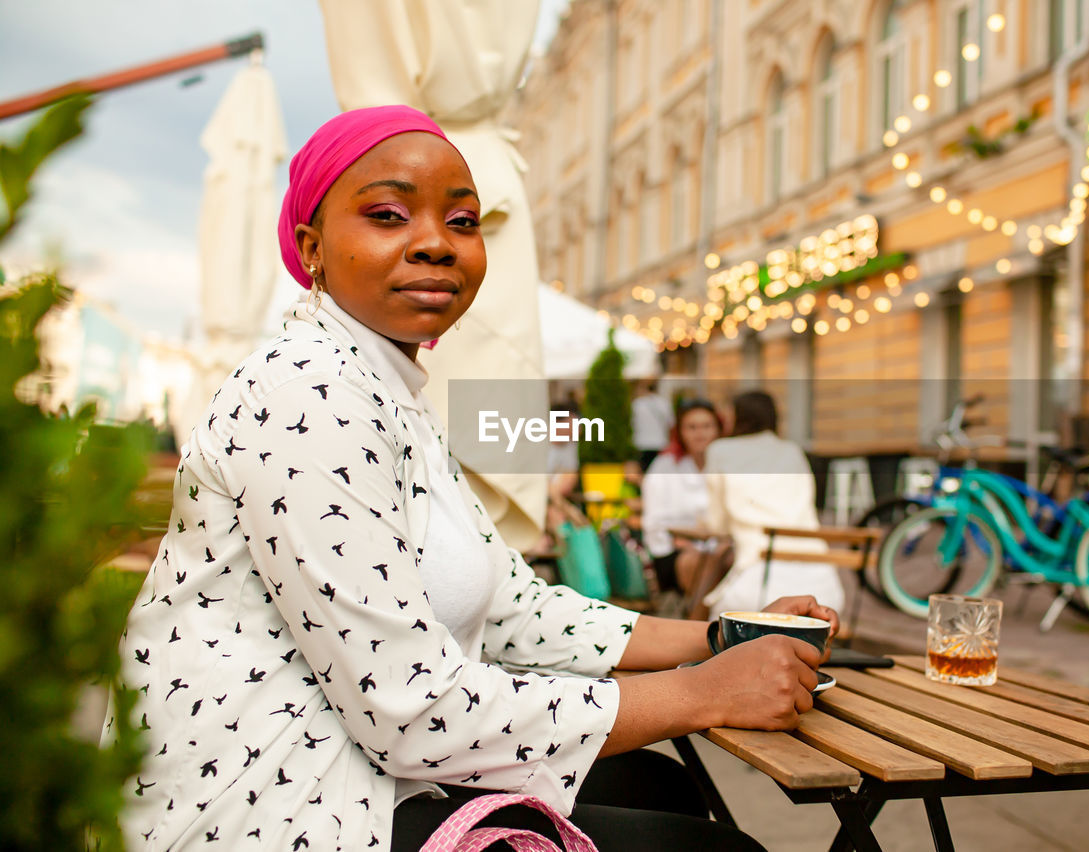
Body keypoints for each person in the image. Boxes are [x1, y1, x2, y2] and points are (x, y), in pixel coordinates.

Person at [106, 106, 838, 852]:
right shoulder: (307, 388)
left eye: (462, 222)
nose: (436, 244)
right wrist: (701, 692)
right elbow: (414, 714)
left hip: (357, 770)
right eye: (389, 214)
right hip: (262, 805)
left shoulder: (391, 394)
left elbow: (517, 611)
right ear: (312, 247)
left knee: (660, 786)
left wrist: (723, 638)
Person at [701, 391, 846, 617]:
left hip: (759, 585)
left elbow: (716, 524)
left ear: (738, 417)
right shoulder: (792, 450)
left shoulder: (720, 450)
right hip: (822, 585)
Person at [641, 399, 722, 592]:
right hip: (673, 551)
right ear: (681, 432)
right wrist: (683, 543)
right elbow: (654, 522)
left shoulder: (724, 466)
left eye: (706, 426)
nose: (700, 434)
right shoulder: (664, 466)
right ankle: (702, 620)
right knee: (700, 563)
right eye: (692, 427)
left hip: (717, 548)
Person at [631, 380, 674, 472]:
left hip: (642, 443)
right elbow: (671, 423)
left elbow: (632, 424)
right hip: (661, 442)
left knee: (645, 471)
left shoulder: (637, 404)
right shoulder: (664, 403)